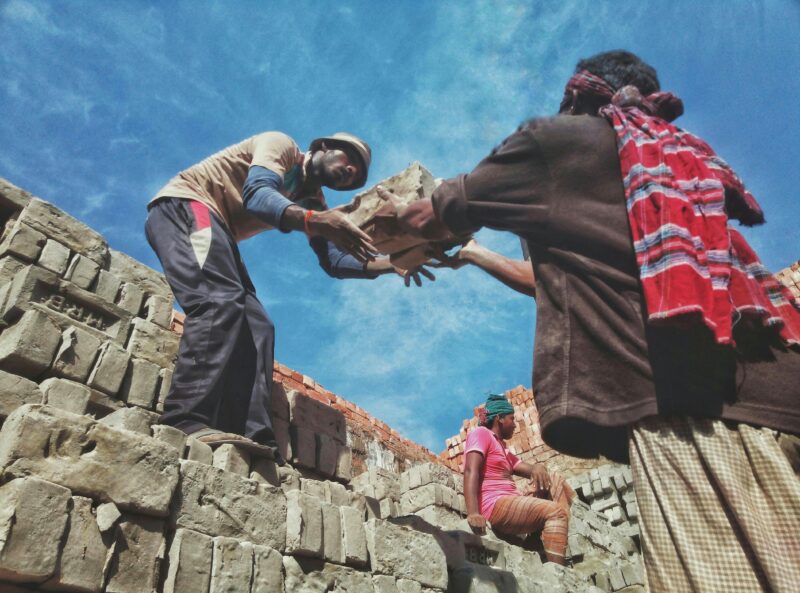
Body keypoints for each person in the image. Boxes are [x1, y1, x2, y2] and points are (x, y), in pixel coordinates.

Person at [396, 50, 800, 592]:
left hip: (695, 412)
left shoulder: (561, 144)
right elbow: (549, 280)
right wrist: (470, 253)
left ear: (578, 97)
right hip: (781, 399)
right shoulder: (673, 165)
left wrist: (340, 226)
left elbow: (426, 213)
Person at [146, 131, 432, 458]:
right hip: (186, 207)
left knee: (258, 328)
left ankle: (251, 434)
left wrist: (392, 264)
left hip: (217, 229)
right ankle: (185, 418)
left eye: (359, 175)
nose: (352, 172)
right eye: (349, 160)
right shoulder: (281, 146)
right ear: (323, 147)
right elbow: (256, 193)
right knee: (218, 301)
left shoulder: (310, 198)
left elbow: (334, 260)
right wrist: (315, 221)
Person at [463, 394, 574, 564]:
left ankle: (535, 541)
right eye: (511, 419)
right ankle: (559, 572)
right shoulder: (481, 434)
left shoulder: (502, 447)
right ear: (499, 419)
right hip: (495, 504)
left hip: (513, 501)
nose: (514, 424)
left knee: (554, 479)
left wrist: (538, 467)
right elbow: (471, 471)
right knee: (556, 512)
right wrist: (473, 513)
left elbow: (529, 470)